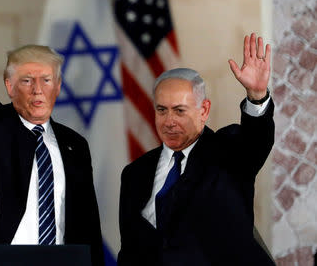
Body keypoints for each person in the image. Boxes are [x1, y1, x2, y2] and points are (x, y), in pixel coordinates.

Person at [0, 1, 104, 266]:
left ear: (58, 86)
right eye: (27, 80)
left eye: (46, 80)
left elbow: (87, 225)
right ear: (9, 86)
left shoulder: (75, 145)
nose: (38, 89)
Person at [117, 33, 275, 266]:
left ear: (203, 110)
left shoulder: (230, 153)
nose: (169, 121)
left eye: (179, 110)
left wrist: (257, 97)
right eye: (162, 110)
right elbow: (130, 253)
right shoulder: (134, 173)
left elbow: (256, 139)